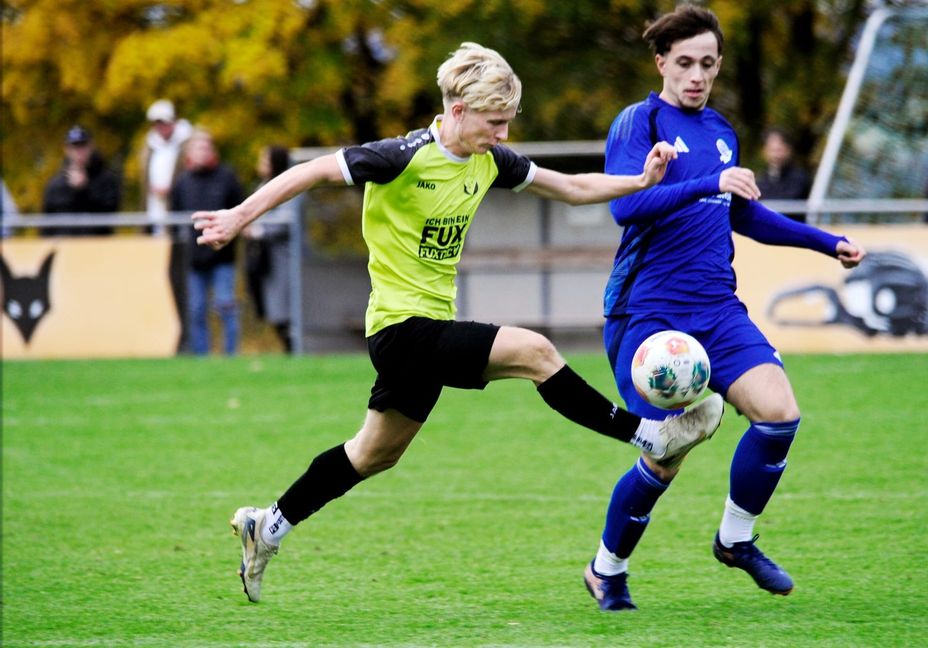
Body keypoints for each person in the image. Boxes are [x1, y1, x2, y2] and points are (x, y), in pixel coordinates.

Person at [193, 42, 724, 604]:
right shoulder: (400, 155)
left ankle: (268, 525)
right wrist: (236, 216)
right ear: (459, 110)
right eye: (495, 122)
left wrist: (640, 182)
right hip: (399, 328)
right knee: (536, 351)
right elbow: (309, 172)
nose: (502, 134)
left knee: (374, 453)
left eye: (507, 123)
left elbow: (570, 188)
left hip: (425, 328)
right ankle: (651, 436)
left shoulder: (490, 159)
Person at [582, 6, 865, 611]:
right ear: (661, 63)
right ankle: (607, 569)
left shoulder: (721, 130)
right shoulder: (638, 123)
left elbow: (745, 215)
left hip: (717, 307)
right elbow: (625, 209)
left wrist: (825, 242)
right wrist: (710, 182)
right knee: (663, 456)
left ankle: (735, 539)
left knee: (779, 413)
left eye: (707, 64)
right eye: (684, 63)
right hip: (647, 314)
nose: (696, 75)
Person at [171, 130, 244, 355]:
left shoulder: (226, 178)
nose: (202, 152)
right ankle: (202, 358)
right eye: (198, 148)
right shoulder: (183, 182)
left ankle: (231, 355)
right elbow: (174, 217)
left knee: (225, 307)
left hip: (222, 257)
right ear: (190, 153)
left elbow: (241, 212)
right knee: (197, 310)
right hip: (195, 259)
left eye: (206, 147)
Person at [244, 146, 301, 353]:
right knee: (272, 307)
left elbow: (287, 220)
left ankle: (294, 348)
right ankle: (289, 348)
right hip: (264, 258)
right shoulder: (261, 186)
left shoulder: (289, 185)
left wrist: (259, 230)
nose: (261, 165)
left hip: (284, 258)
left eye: (265, 161)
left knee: (285, 307)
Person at [41, 125, 120, 236]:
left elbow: (110, 215)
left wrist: (84, 190)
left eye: (83, 146)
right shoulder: (56, 185)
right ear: (66, 150)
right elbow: (46, 225)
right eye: (74, 147)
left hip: (97, 248)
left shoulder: (107, 181)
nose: (79, 152)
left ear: (91, 147)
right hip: (65, 248)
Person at [139, 99, 194, 235]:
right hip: (155, 207)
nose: (160, 127)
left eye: (163, 123)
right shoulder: (150, 146)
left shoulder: (187, 144)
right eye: (156, 123)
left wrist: (172, 189)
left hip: (179, 208)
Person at [757, 127, 812, 222]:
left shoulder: (799, 177)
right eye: (772, 150)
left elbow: (789, 201)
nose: (776, 155)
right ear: (764, 151)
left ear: (789, 150)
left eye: (779, 149)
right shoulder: (761, 179)